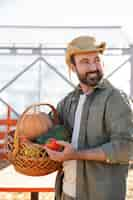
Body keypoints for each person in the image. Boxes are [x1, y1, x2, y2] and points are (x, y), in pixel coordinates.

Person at [44, 36, 133, 200]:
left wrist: (77, 154)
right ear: (73, 67)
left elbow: (126, 148)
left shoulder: (115, 99)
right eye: (85, 61)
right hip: (66, 193)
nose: (93, 67)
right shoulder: (67, 102)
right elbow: (44, 130)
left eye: (97, 60)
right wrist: (19, 140)